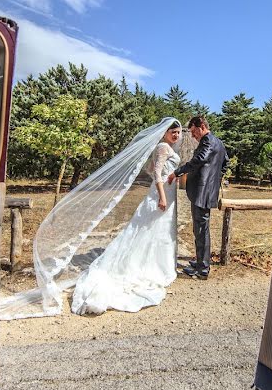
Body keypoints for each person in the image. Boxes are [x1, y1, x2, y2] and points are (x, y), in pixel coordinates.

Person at [71, 120, 182, 315]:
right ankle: (147, 267)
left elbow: (152, 169)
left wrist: (173, 177)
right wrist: (162, 195)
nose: (176, 135)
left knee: (160, 231)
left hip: (169, 191)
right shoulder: (163, 147)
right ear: (164, 133)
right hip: (162, 193)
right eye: (173, 131)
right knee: (149, 229)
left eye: (179, 132)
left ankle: (157, 263)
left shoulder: (167, 147)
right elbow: (155, 173)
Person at [167, 115, 229, 280]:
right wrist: (214, 181)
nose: (193, 136)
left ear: (201, 126)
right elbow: (225, 163)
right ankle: (201, 261)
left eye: (194, 132)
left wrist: (177, 172)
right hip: (206, 192)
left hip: (202, 193)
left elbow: (199, 159)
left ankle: (202, 269)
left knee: (201, 230)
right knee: (200, 229)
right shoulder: (219, 143)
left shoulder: (208, 141)